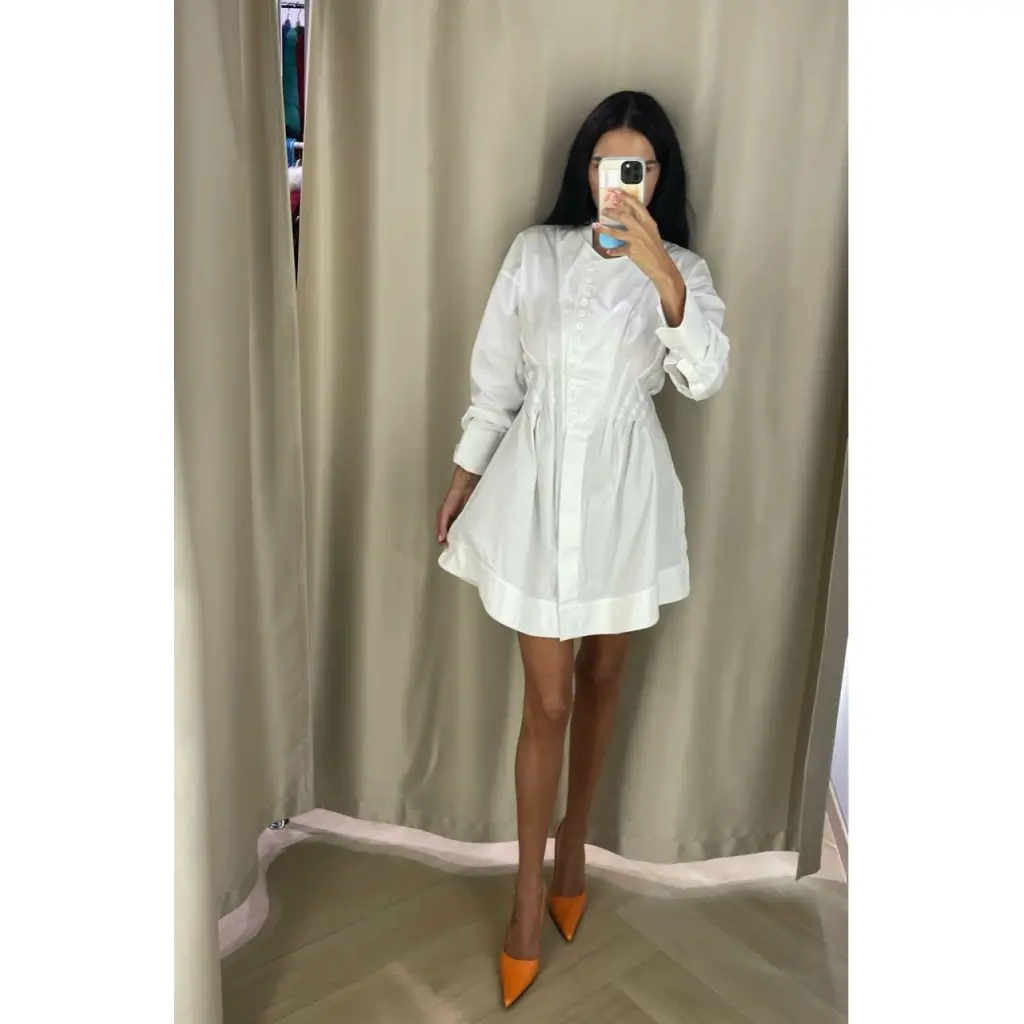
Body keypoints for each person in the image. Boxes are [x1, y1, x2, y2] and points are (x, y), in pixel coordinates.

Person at [435, 90, 730, 1009]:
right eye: (607, 165)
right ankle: (528, 895)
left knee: (604, 681)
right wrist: (464, 476)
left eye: (638, 167)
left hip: (625, 500)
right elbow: (495, 381)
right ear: (586, 170)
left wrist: (661, 272)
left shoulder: (682, 270)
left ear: (659, 177)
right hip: (534, 489)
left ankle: (574, 851)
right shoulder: (535, 253)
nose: (620, 182)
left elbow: (705, 375)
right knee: (549, 700)